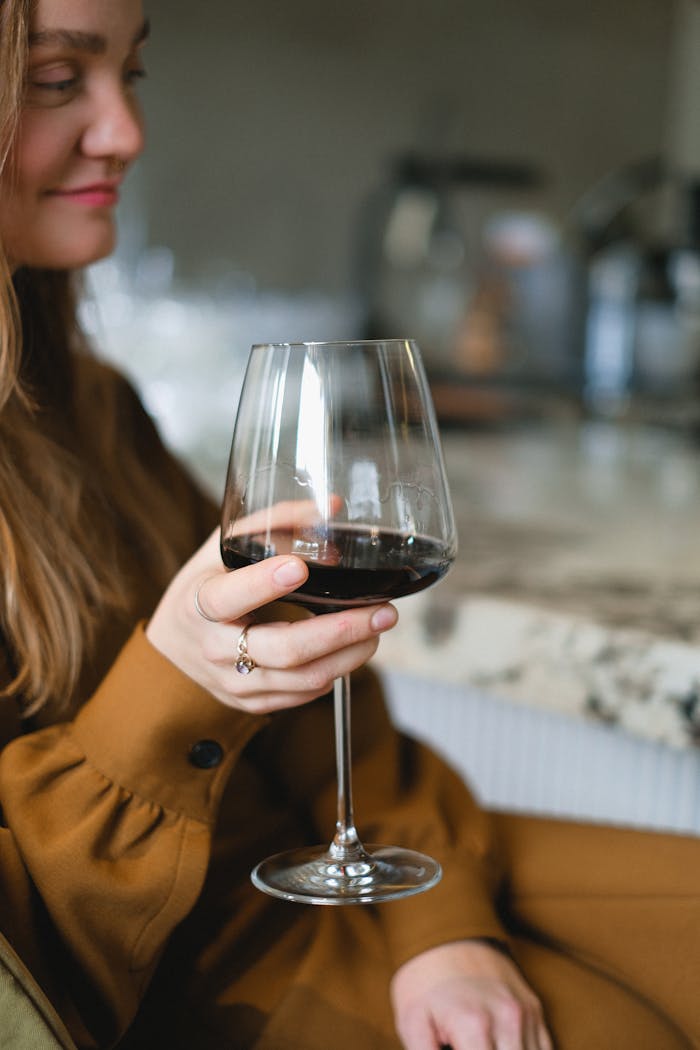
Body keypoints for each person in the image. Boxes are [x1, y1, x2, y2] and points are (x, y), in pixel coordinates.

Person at [0, 1, 697, 1048]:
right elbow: (29, 971)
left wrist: (438, 921)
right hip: (172, 972)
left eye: (130, 77)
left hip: (336, 855)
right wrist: (171, 683)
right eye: (59, 81)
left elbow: (338, 717)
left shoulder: (94, 406)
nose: (126, 133)